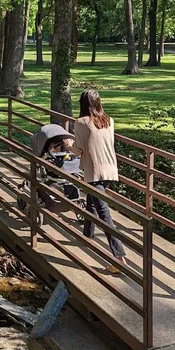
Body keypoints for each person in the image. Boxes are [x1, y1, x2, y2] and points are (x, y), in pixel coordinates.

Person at [70, 89, 127, 273]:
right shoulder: (109, 121)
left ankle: (119, 260)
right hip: (110, 171)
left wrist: (67, 144)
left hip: (94, 173)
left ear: (82, 104)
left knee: (104, 215)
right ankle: (87, 235)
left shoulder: (81, 123)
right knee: (92, 204)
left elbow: (78, 150)